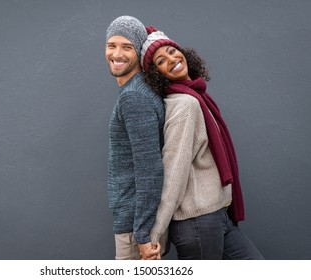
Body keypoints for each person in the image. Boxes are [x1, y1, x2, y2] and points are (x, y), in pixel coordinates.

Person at [138, 26, 264, 260]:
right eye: (161, 61)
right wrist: (155, 233)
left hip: (217, 216)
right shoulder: (186, 105)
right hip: (197, 222)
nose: (172, 60)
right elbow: (174, 170)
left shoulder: (197, 96)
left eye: (172, 51)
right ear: (158, 74)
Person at [104, 16, 168, 260]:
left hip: (134, 227)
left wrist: (142, 234)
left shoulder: (135, 98)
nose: (117, 54)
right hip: (136, 223)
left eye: (127, 47)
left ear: (139, 52)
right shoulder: (138, 91)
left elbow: (149, 169)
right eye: (112, 45)